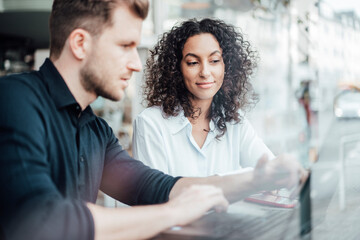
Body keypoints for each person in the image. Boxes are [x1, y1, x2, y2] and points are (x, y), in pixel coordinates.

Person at [0, 1, 305, 240]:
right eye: (125, 46)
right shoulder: (14, 100)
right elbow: (41, 221)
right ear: (80, 43)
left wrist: (257, 180)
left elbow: (156, 186)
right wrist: (173, 213)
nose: (135, 63)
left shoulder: (95, 131)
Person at [133, 18, 274, 177]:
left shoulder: (234, 121)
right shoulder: (151, 124)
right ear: (176, 69)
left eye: (214, 61)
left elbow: (271, 169)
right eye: (193, 62)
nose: (205, 72)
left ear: (226, 65)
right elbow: (155, 195)